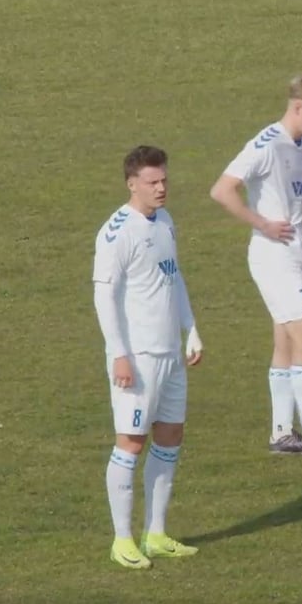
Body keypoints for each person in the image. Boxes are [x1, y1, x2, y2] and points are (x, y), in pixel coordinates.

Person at [210, 73, 302, 462]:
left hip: (296, 252)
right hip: (276, 257)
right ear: (298, 107)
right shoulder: (267, 144)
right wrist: (263, 224)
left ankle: (281, 433)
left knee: (286, 343)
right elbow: (222, 189)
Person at [92, 145, 204, 569]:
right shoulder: (117, 232)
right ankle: (122, 539)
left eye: (164, 180)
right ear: (131, 184)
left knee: (170, 436)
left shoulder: (165, 221)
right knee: (131, 442)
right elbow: (104, 297)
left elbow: (174, 279)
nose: (161, 188)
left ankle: (155, 532)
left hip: (170, 354)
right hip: (136, 357)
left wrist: (190, 329)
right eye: (153, 182)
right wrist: (118, 355)